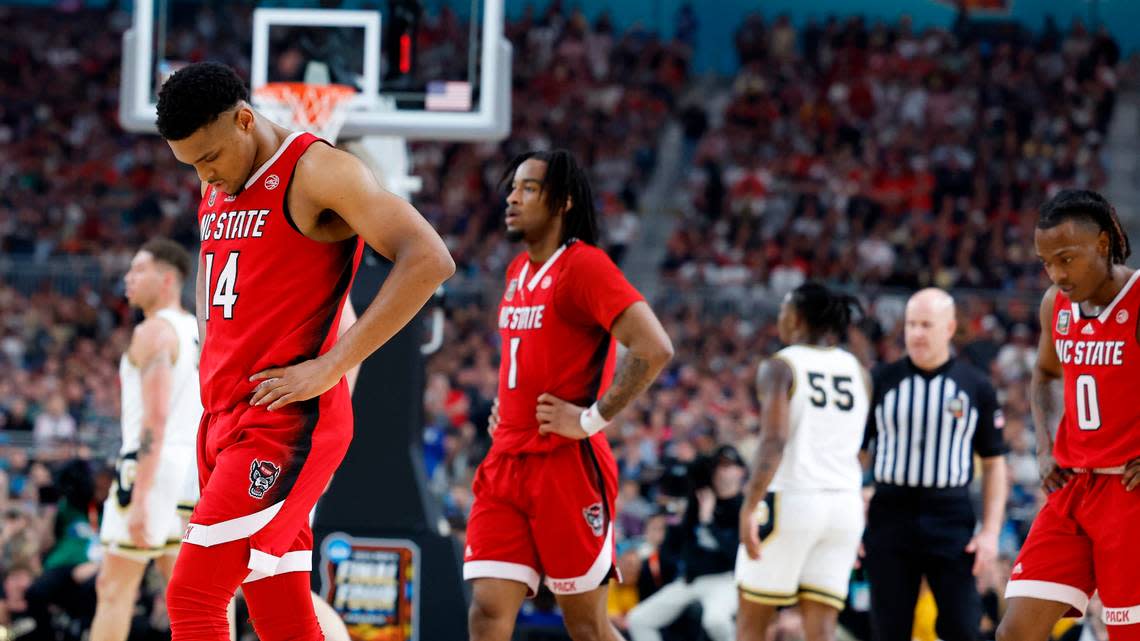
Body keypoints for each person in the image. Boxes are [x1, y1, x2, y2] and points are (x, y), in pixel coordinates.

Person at [154, 61, 454, 641]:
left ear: (245, 120)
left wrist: (332, 364)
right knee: (281, 608)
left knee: (193, 594)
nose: (205, 175)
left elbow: (429, 257)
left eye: (210, 158)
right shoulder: (216, 173)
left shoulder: (319, 171)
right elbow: (212, 264)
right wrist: (205, 343)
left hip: (285, 422)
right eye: (190, 165)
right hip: (222, 414)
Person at [465, 149, 674, 641]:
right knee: (488, 609)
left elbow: (654, 347)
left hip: (567, 465)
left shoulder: (584, 266)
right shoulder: (517, 270)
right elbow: (531, 355)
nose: (512, 198)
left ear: (563, 202)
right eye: (512, 188)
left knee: (585, 624)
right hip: (506, 460)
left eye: (529, 189)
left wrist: (589, 420)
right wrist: (508, 406)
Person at [997, 189, 1140, 641]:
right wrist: (1043, 447)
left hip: (1129, 490)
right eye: (1046, 262)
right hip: (1073, 486)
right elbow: (1043, 374)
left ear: (1102, 244)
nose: (1056, 273)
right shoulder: (1054, 305)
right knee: (1016, 631)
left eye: (1065, 258)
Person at [862, 288, 1009, 641]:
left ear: (949, 328)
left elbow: (994, 463)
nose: (916, 333)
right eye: (911, 324)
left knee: (962, 626)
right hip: (889, 511)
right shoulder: (880, 381)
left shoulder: (975, 386)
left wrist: (989, 532)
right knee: (888, 628)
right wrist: (854, 504)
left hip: (949, 514)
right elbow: (854, 451)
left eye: (926, 325)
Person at [734, 282, 870, 641]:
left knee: (751, 623)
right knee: (822, 631)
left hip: (793, 498)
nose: (779, 317)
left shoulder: (781, 365)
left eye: (782, 310)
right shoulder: (859, 370)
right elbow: (863, 447)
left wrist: (749, 505)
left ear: (796, 316)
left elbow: (774, 440)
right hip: (844, 506)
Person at [91, 239, 201, 641]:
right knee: (191, 596)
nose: (128, 278)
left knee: (114, 590)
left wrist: (139, 499)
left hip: (154, 470)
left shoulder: (153, 331)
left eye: (139, 270)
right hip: (194, 472)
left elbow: (154, 419)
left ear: (167, 279)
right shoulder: (199, 328)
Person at [626, 445, 745, 641]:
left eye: (728, 466)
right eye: (718, 466)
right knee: (638, 620)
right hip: (691, 580)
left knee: (715, 621)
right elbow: (683, 541)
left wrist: (709, 521)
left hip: (724, 579)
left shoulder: (743, 505)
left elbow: (734, 553)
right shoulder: (698, 500)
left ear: (741, 471)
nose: (722, 471)